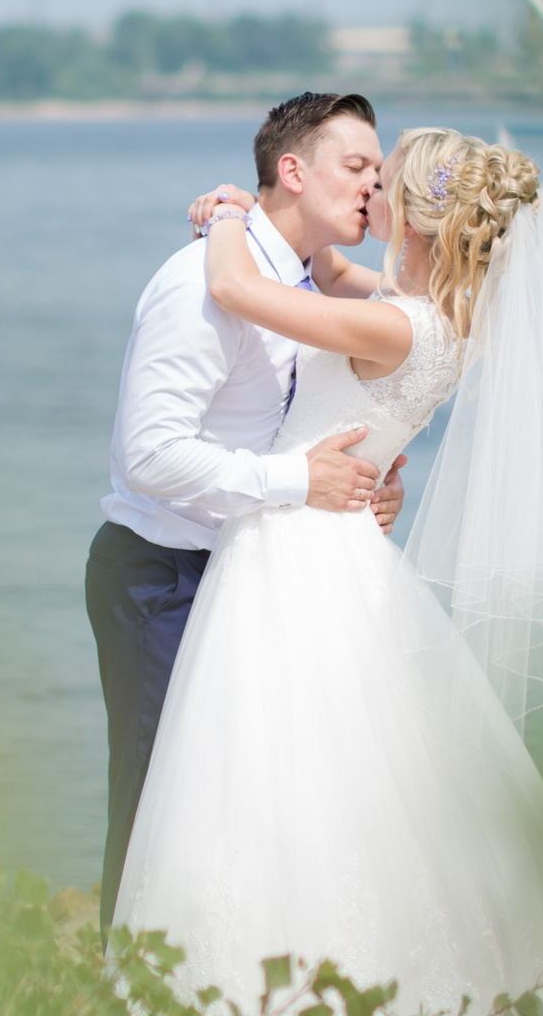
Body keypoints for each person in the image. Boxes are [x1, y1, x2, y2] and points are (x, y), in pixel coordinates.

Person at [113, 128, 543, 1016]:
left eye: (382, 181)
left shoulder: (397, 324)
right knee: (356, 772)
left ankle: (269, 1006)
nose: (369, 192)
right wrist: (257, 224)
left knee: (278, 772)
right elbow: (320, 271)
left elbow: (242, 292)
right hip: (343, 549)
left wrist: (232, 214)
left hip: (298, 550)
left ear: (412, 216)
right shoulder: (441, 316)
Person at [85, 93, 408, 934]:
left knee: (247, 810)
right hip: (166, 577)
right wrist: (298, 482)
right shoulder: (202, 282)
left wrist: (362, 483)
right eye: (357, 166)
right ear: (293, 171)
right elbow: (148, 456)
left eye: (380, 171)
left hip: (256, 577)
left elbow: (301, 419)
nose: (374, 186)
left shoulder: (302, 283)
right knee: (159, 807)